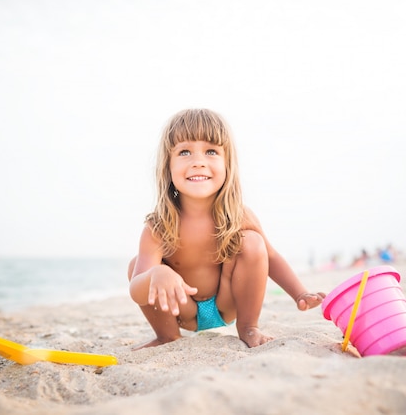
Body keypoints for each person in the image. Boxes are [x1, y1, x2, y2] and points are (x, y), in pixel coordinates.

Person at [127, 108, 326, 349]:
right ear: (168, 166)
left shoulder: (238, 215)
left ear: (227, 164)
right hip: (181, 308)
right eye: (184, 152)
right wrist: (155, 275)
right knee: (138, 266)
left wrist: (300, 294)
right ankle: (167, 336)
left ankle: (249, 327)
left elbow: (270, 257)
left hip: (227, 301)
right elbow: (136, 290)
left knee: (252, 242)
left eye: (211, 151)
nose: (198, 161)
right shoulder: (158, 226)